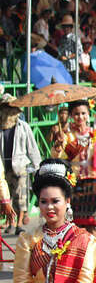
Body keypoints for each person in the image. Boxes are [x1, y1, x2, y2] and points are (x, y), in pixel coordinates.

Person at [52, 100, 96, 234]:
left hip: (93, 183)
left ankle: (92, 254)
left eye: (83, 113)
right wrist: (58, 146)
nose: (80, 117)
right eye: (76, 114)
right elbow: (57, 158)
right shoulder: (67, 137)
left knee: (91, 227)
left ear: (88, 114)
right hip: (73, 183)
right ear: (71, 115)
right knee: (75, 227)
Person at [0, 93, 41, 234]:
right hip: (4, 168)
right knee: (7, 196)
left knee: (20, 196)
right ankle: (10, 221)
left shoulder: (23, 127)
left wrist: (38, 168)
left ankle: (17, 223)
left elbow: (32, 148)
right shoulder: (1, 128)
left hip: (19, 166)